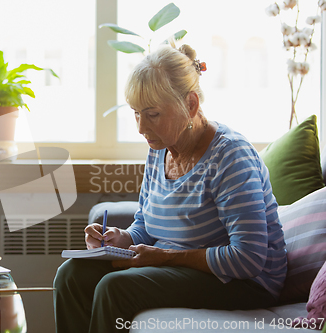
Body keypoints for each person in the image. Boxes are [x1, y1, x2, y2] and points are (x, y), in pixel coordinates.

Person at [53, 44, 287, 333]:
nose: (140, 127)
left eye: (152, 114)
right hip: (178, 267)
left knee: (116, 287)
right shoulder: (160, 147)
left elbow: (248, 259)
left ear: (190, 105)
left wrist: (164, 257)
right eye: (136, 113)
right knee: (71, 275)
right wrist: (122, 239)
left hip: (244, 283)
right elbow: (147, 225)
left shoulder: (230, 156)